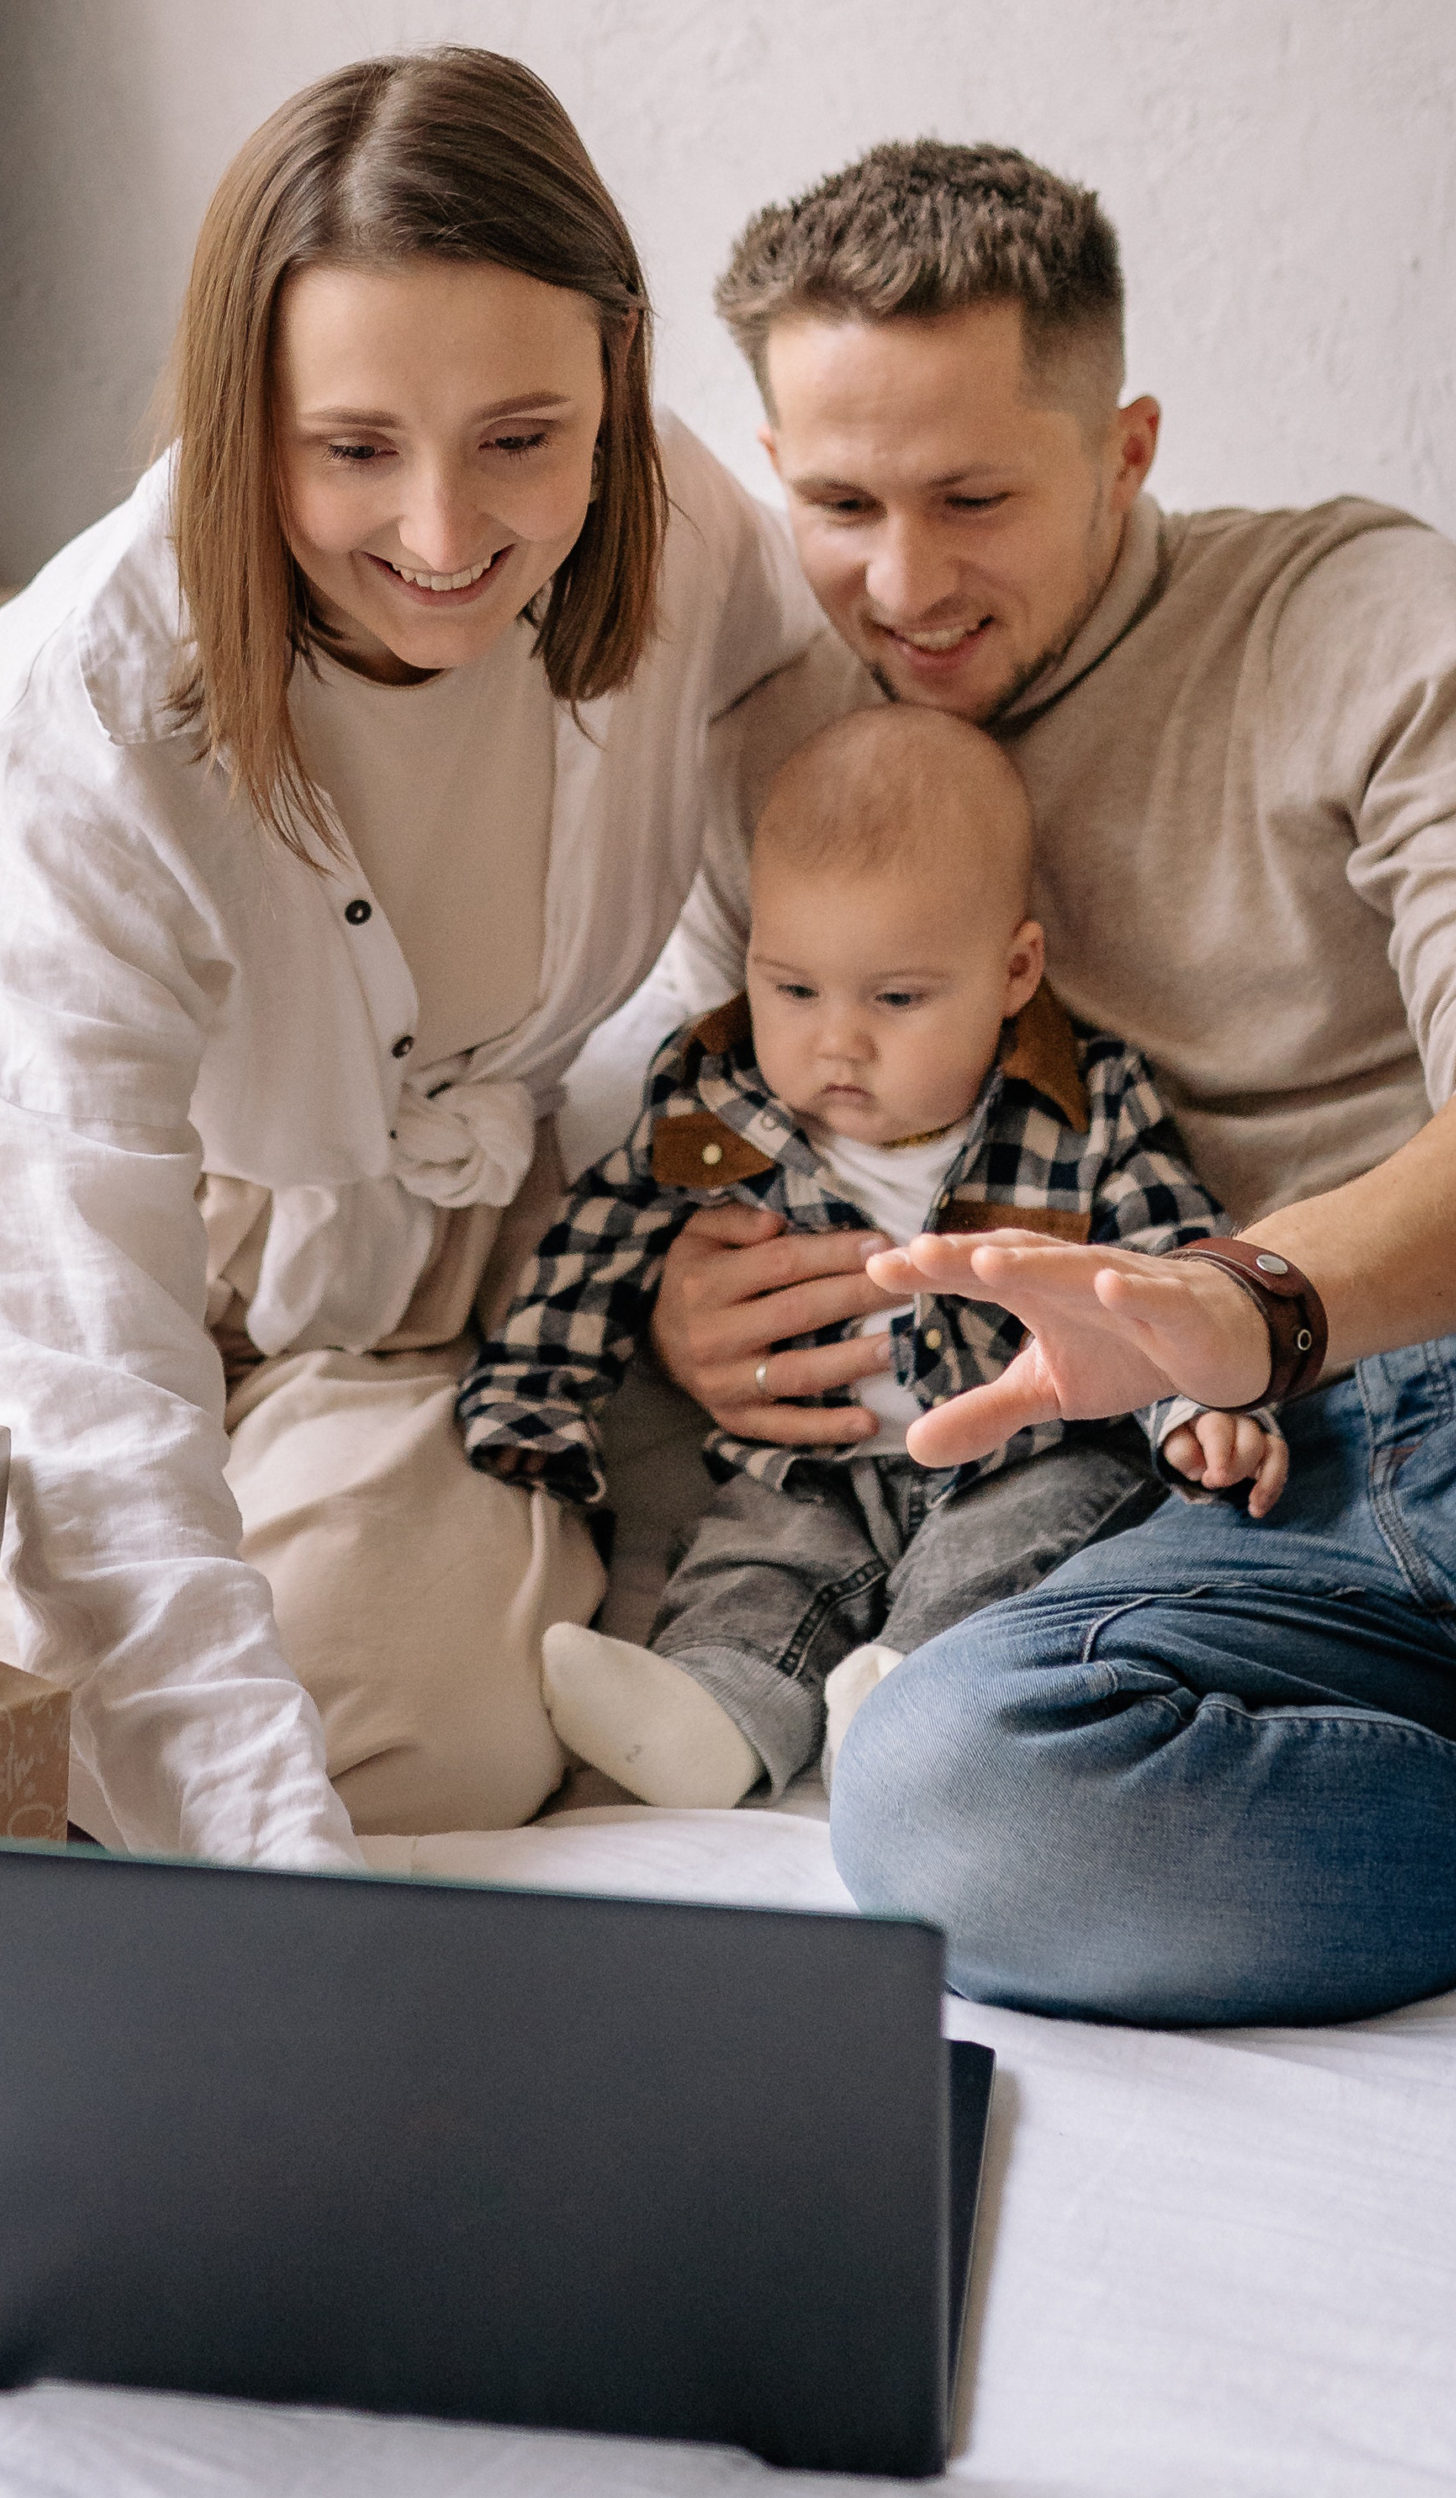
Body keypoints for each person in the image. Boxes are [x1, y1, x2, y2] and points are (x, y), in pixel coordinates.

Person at [646, 139, 1456, 2485]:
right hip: (1274, 1475)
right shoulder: (791, 741)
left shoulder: (1363, 612)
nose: (902, 581)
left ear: (1126, 445)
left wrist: (1240, 1299)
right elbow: (739, 1091)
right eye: (841, 501)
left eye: (973, 495)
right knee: (943, 1787)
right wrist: (699, 1277)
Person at [0, 49, 844, 1864]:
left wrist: (735, 1180)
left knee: (415, 1733)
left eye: (523, 437)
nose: (445, 539)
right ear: (243, 414)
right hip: (29, 1172)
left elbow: (831, 836)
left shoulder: (678, 539)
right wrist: (286, 1904)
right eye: (353, 450)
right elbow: (83, 1364)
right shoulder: (85, 709)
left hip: (428, 1239)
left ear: (613, 380)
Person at [458, 703, 1282, 1807]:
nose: (835, 1039)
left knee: (1015, 1556)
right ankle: (715, 1715)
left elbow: (1166, 1267)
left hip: (1021, 1453)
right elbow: (595, 1245)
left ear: (1014, 971)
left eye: (895, 998)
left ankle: (909, 1709)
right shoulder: (722, 1102)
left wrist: (1196, 1410)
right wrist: (532, 1404)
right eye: (791, 988)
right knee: (750, 1561)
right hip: (812, 1463)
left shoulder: (1085, 1108)